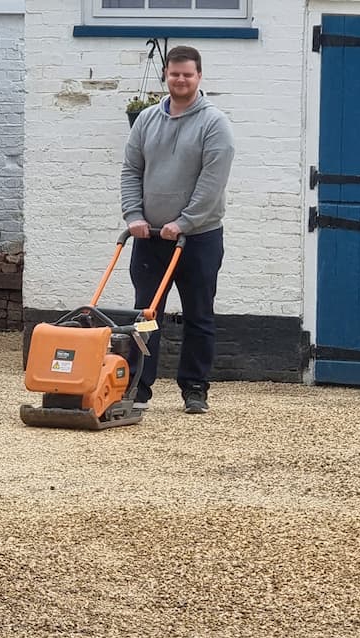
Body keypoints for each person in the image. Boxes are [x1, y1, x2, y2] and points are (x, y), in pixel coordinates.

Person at [121, 45, 235, 414]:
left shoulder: (214, 123)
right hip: (149, 238)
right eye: (174, 74)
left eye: (187, 74)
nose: (180, 79)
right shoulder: (146, 120)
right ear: (165, 76)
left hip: (198, 239)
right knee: (146, 316)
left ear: (199, 76)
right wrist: (133, 216)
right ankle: (138, 388)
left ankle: (195, 389)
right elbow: (131, 171)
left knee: (199, 314)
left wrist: (183, 222)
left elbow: (212, 181)